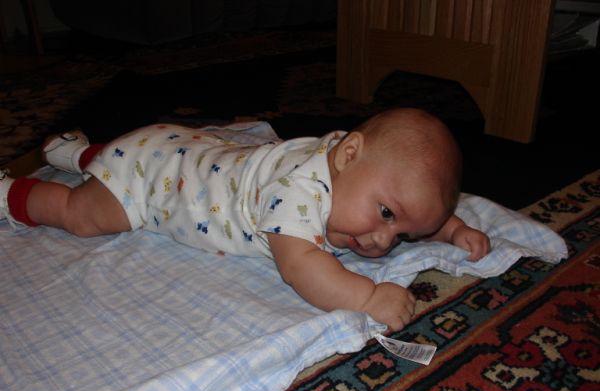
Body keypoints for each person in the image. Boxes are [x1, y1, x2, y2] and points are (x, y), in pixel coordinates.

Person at [0, 108, 490, 331]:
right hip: (153, 181)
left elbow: (415, 208)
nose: (383, 241)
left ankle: (77, 154)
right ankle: (10, 193)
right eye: (385, 214)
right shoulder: (296, 194)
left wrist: (452, 229)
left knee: (128, 155)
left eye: (404, 234)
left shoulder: (349, 160)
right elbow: (302, 267)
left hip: (179, 146)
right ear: (348, 154)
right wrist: (367, 296)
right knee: (84, 214)